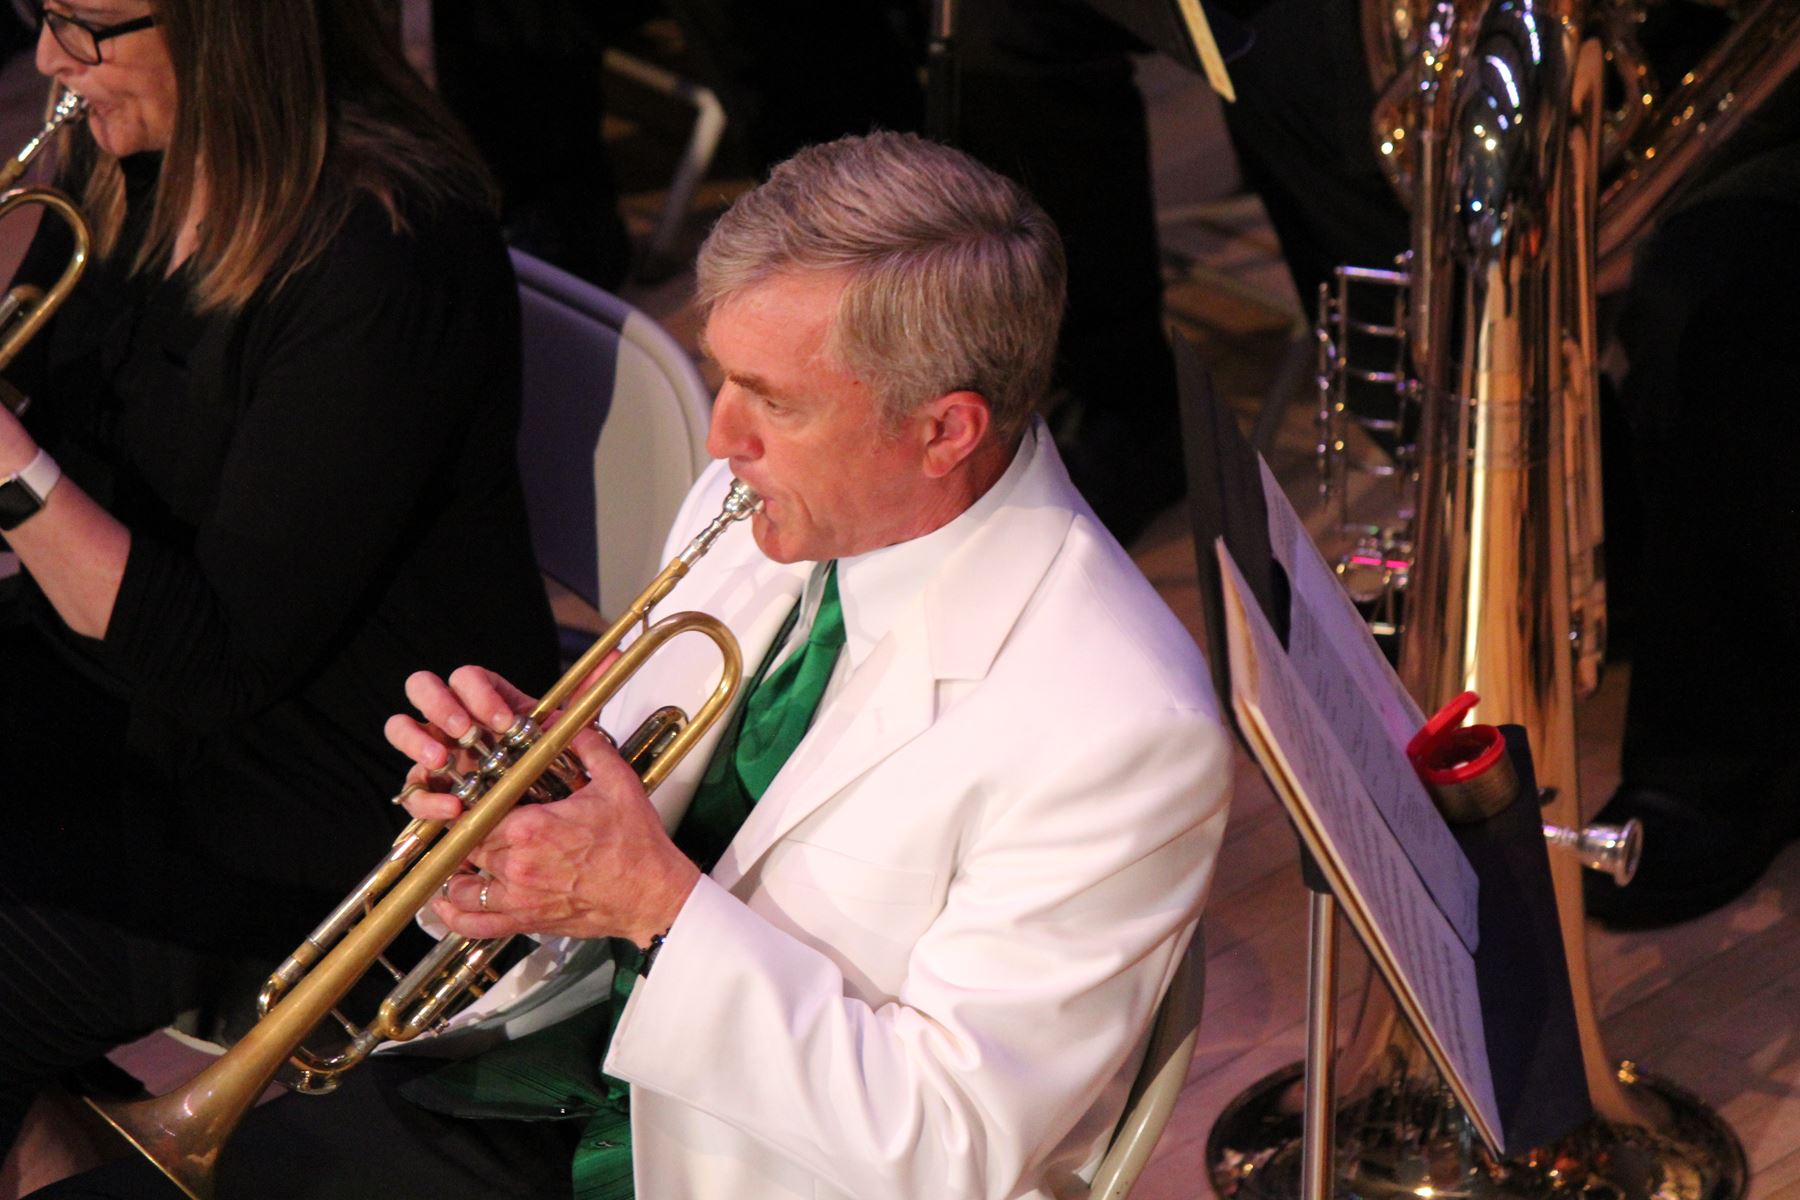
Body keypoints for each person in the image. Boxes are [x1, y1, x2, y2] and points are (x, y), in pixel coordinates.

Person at [33, 131, 1230, 1200]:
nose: (719, 438)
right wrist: (517, 829)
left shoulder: (1118, 726)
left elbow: (948, 1147)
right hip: (540, 1074)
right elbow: (631, 860)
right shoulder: (756, 506)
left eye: (773, 403)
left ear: (944, 429)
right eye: (722, 377)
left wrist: (655, 904)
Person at [0, 0, 556, 1156]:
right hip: (117, 715)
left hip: (316, 802)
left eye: (85, 24)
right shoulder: (121, 171)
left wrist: (11, 470)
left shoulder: (386, 250)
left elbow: (215, 664)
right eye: (40, 14)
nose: (50, 58)